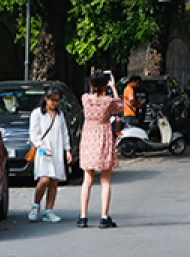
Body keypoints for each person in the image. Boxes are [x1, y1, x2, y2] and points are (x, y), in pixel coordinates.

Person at [79, 71, 123, 228]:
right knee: (105, 180)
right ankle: (104, 217)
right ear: (106, 85)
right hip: (103, 135)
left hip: (89, 136)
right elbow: (119, 107)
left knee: (87, 179)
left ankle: (83, 216)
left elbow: (91, 94)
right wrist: (114, 87)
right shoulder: (107, 101)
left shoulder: (85, 99)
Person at [28, 86, 72, 224]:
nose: (55, 103)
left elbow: (64, 133)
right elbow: (33, 134)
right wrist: (42, 147)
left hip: (57, 150)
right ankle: (36, 205)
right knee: (44, 179)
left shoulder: (60, 115)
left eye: (57, 100)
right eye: (53, 100)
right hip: (43, 151)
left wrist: (67, 150)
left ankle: (49, 209)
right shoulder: (37, 114)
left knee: (54, 181)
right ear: (46, 99)